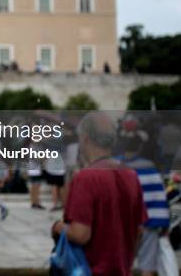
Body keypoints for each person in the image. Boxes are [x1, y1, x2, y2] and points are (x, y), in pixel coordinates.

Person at [51, 112, 147, 276]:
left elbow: (81, 234)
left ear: (85, 138)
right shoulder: (130, 175)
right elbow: (139, 230)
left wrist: (57, 227)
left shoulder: (85, 178)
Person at [118, 130, 170, 276]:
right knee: (147, 265)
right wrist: (165, 224)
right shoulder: (149, 167)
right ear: (140, 148)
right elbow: (159, 197)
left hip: (123, 225)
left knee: (123, 264)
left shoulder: (115, 166)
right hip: (149, 223)